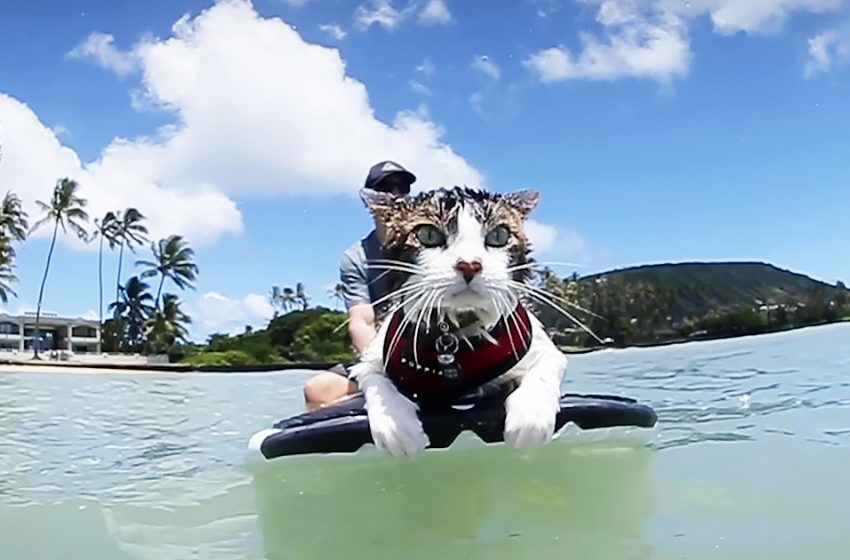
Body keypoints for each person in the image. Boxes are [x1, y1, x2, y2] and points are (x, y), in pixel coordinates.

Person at [303, 160, 416, 409]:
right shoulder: (356, 258)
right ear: (368, 201)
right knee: (317, 391)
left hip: (434, 347)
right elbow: (361, 321)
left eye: (402, 188)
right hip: (384, 354)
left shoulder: (429, 242)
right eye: (386, 188)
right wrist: (385, 369)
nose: (395, 195)